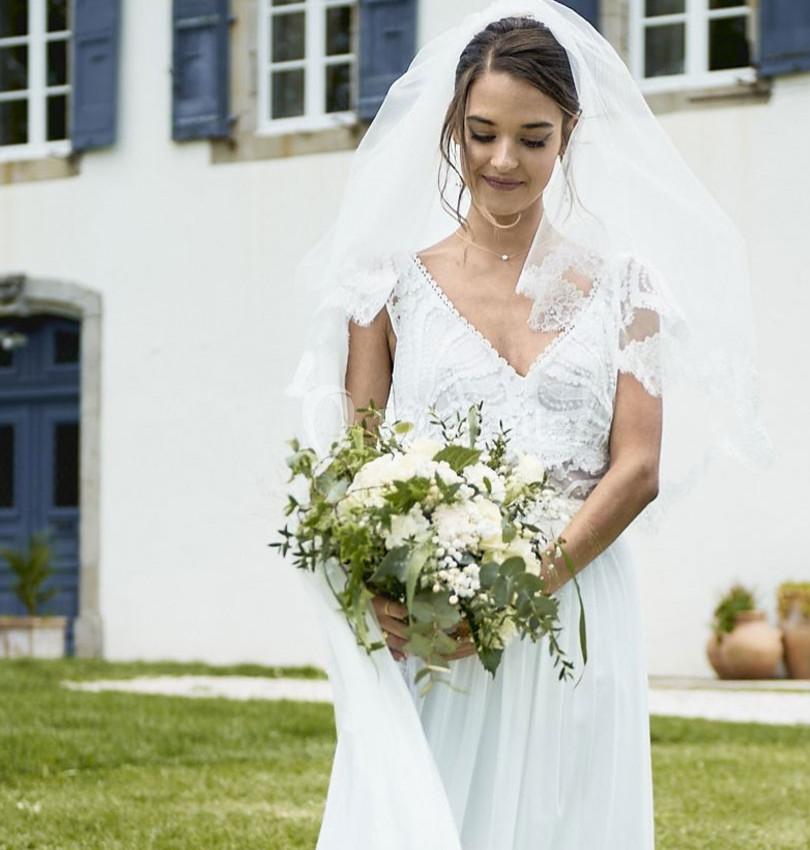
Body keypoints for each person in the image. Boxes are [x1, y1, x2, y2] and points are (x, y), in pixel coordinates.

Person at [284, 2, 772, 847]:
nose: (502, 160)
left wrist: (515, 594)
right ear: (452, 126)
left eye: (532, 138)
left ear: (568, 134)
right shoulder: (384, 289)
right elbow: (357, 466)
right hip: (438, 625)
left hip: (573, 610)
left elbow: (638, 467)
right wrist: (378, 592)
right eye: (481, 134)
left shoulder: (626, 289)